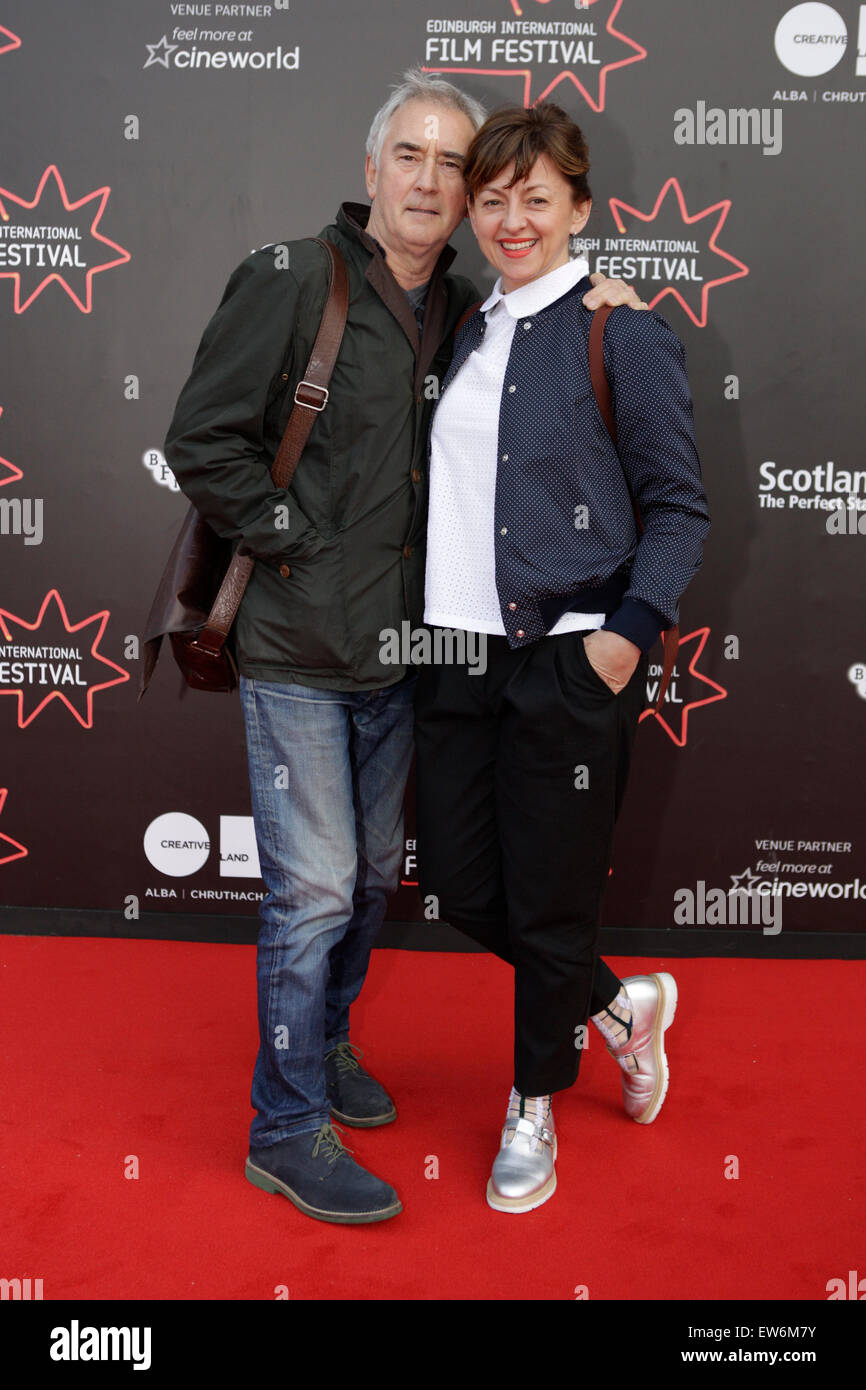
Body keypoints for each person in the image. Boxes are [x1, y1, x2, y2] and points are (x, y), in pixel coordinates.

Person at [162, 70, 646, 1226]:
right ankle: (283, 1127)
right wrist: (297, 544)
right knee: (317, 890)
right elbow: (200, 437)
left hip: (407, 660)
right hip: (292, 649)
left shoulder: (468, 310)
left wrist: (606, 306)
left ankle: (324, 1050)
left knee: (374, 879)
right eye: (411, 157)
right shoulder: (291, 278)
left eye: (452, 164)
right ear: (371, 169)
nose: (432, 181)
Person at [414, 101, 710, 1213]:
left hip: (566, 655)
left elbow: (679, 509)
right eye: (491, 199)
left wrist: (623, 640)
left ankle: (532, 1102)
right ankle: (620, 1006)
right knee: (454, 881)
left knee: (544, 902)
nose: (510, 218)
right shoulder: (458, 323)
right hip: (454, 650)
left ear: (579, 207)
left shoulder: (619, 331)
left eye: (535, 197)